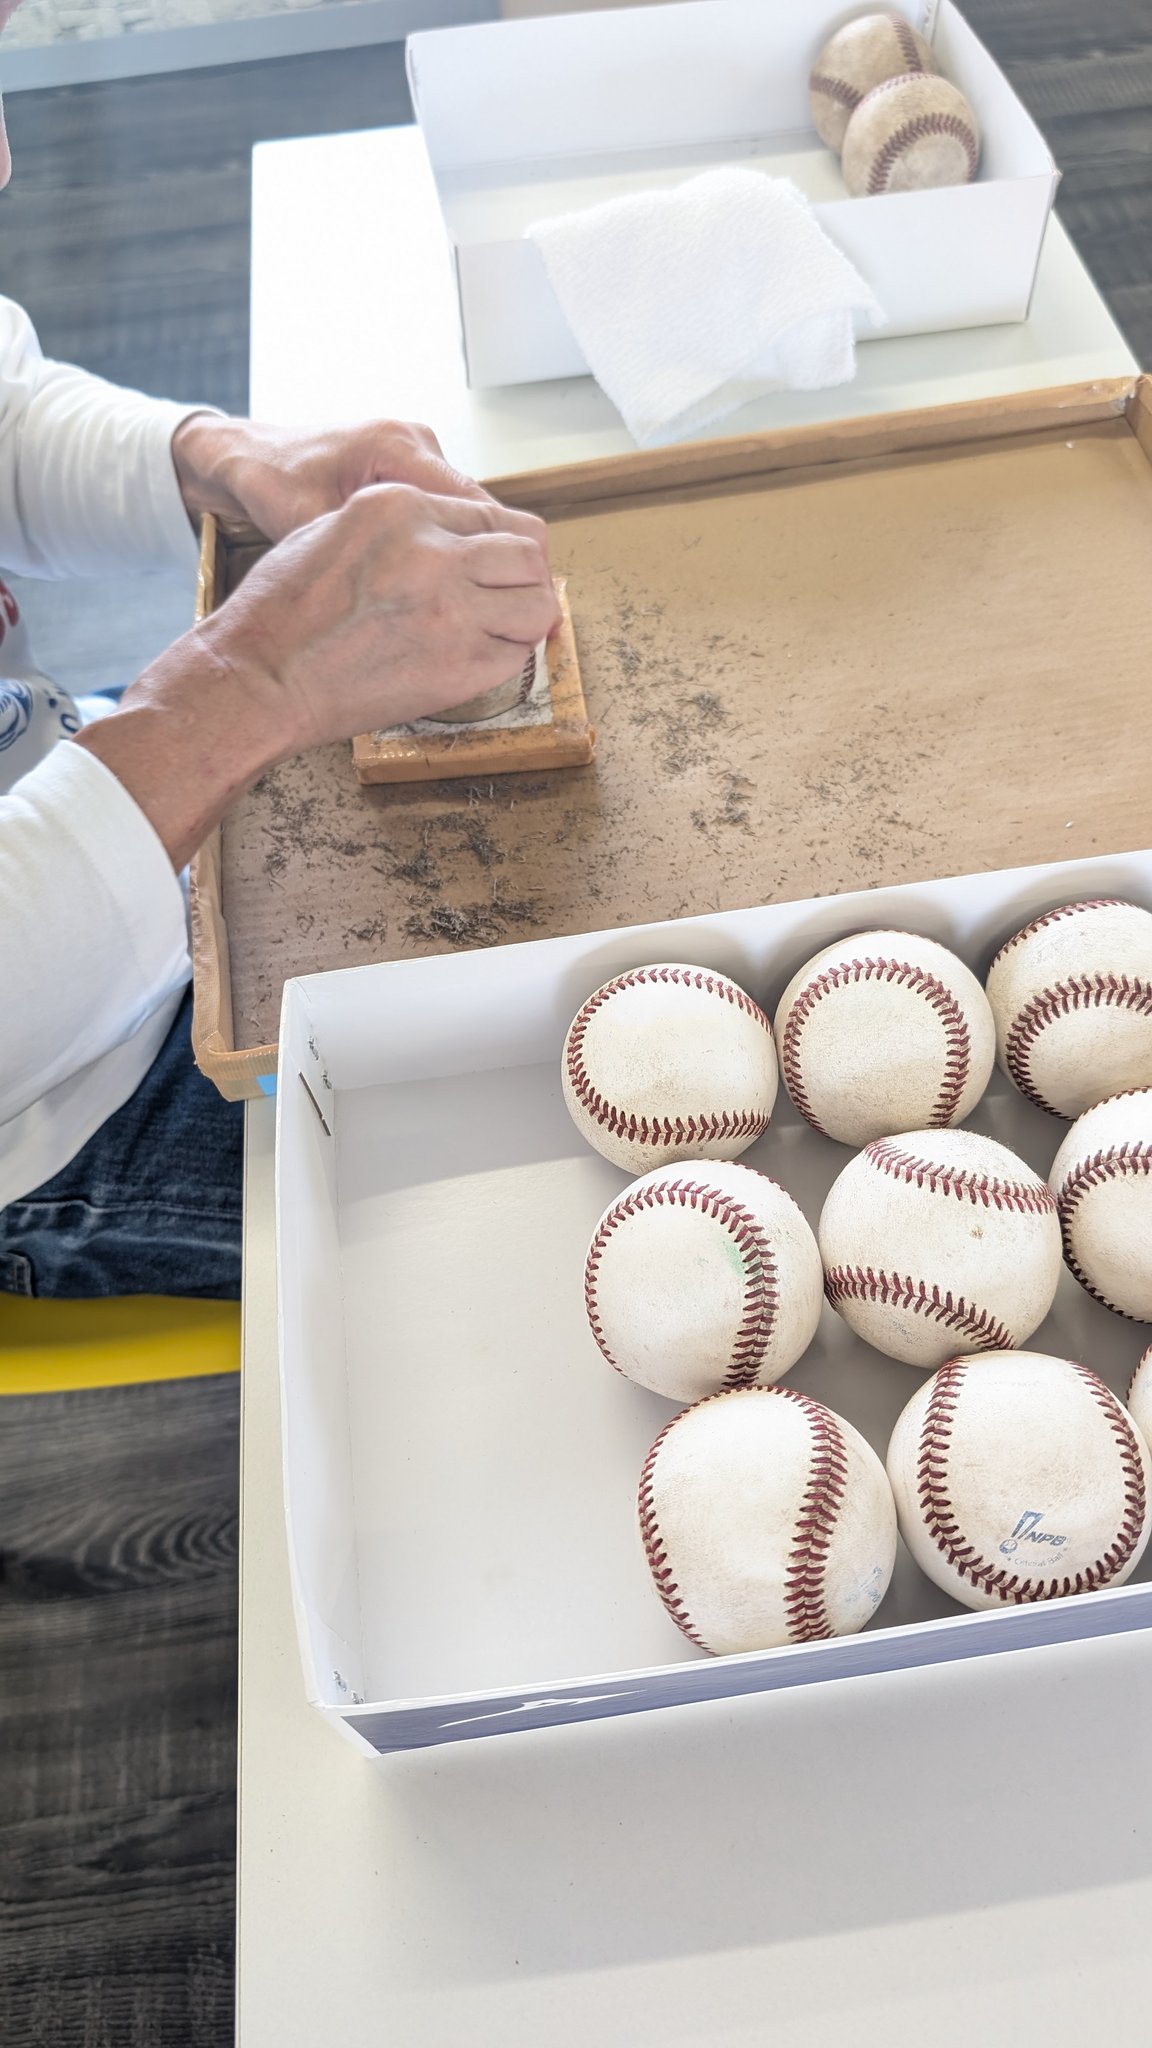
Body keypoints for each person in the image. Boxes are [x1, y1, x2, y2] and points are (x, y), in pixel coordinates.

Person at [0, 38, 559, 1300]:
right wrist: (247, 684)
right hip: (61, 1104)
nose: (2, 161)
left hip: (69, 806)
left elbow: (3, 410)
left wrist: (217, 458)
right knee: (550, 1181)